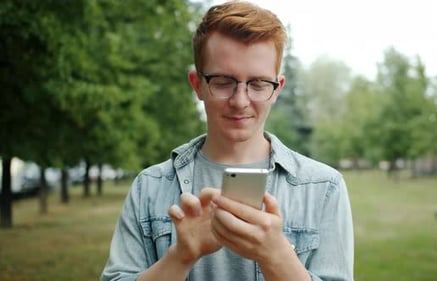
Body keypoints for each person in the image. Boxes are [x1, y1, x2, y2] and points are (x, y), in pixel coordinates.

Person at [100, 1, 354, 280]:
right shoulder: (148, 187)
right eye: (223, 81)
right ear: (198, 85)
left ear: (277, 89)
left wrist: (277, 256)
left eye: (258, 84)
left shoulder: (324, 188)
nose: (240, 101)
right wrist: (181, 256)